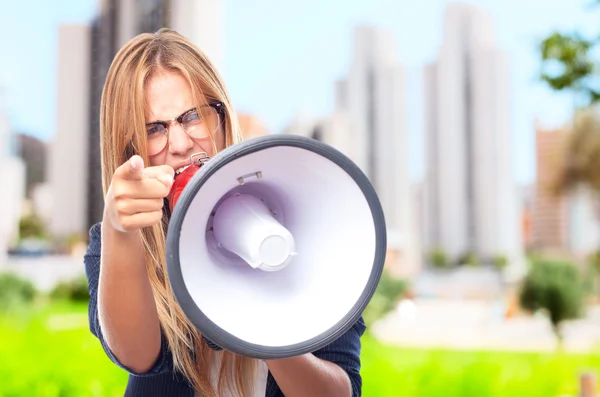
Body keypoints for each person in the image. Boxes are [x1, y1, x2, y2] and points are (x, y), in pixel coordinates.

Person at [84, 28, 366, 397]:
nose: (181, 144)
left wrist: (261, 323)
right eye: (153, 129)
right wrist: (120, 231)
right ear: (127, 149)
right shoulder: (114, 244)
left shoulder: (319, 226)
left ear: (223, 116)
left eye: (194, 116)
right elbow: (137, 355)